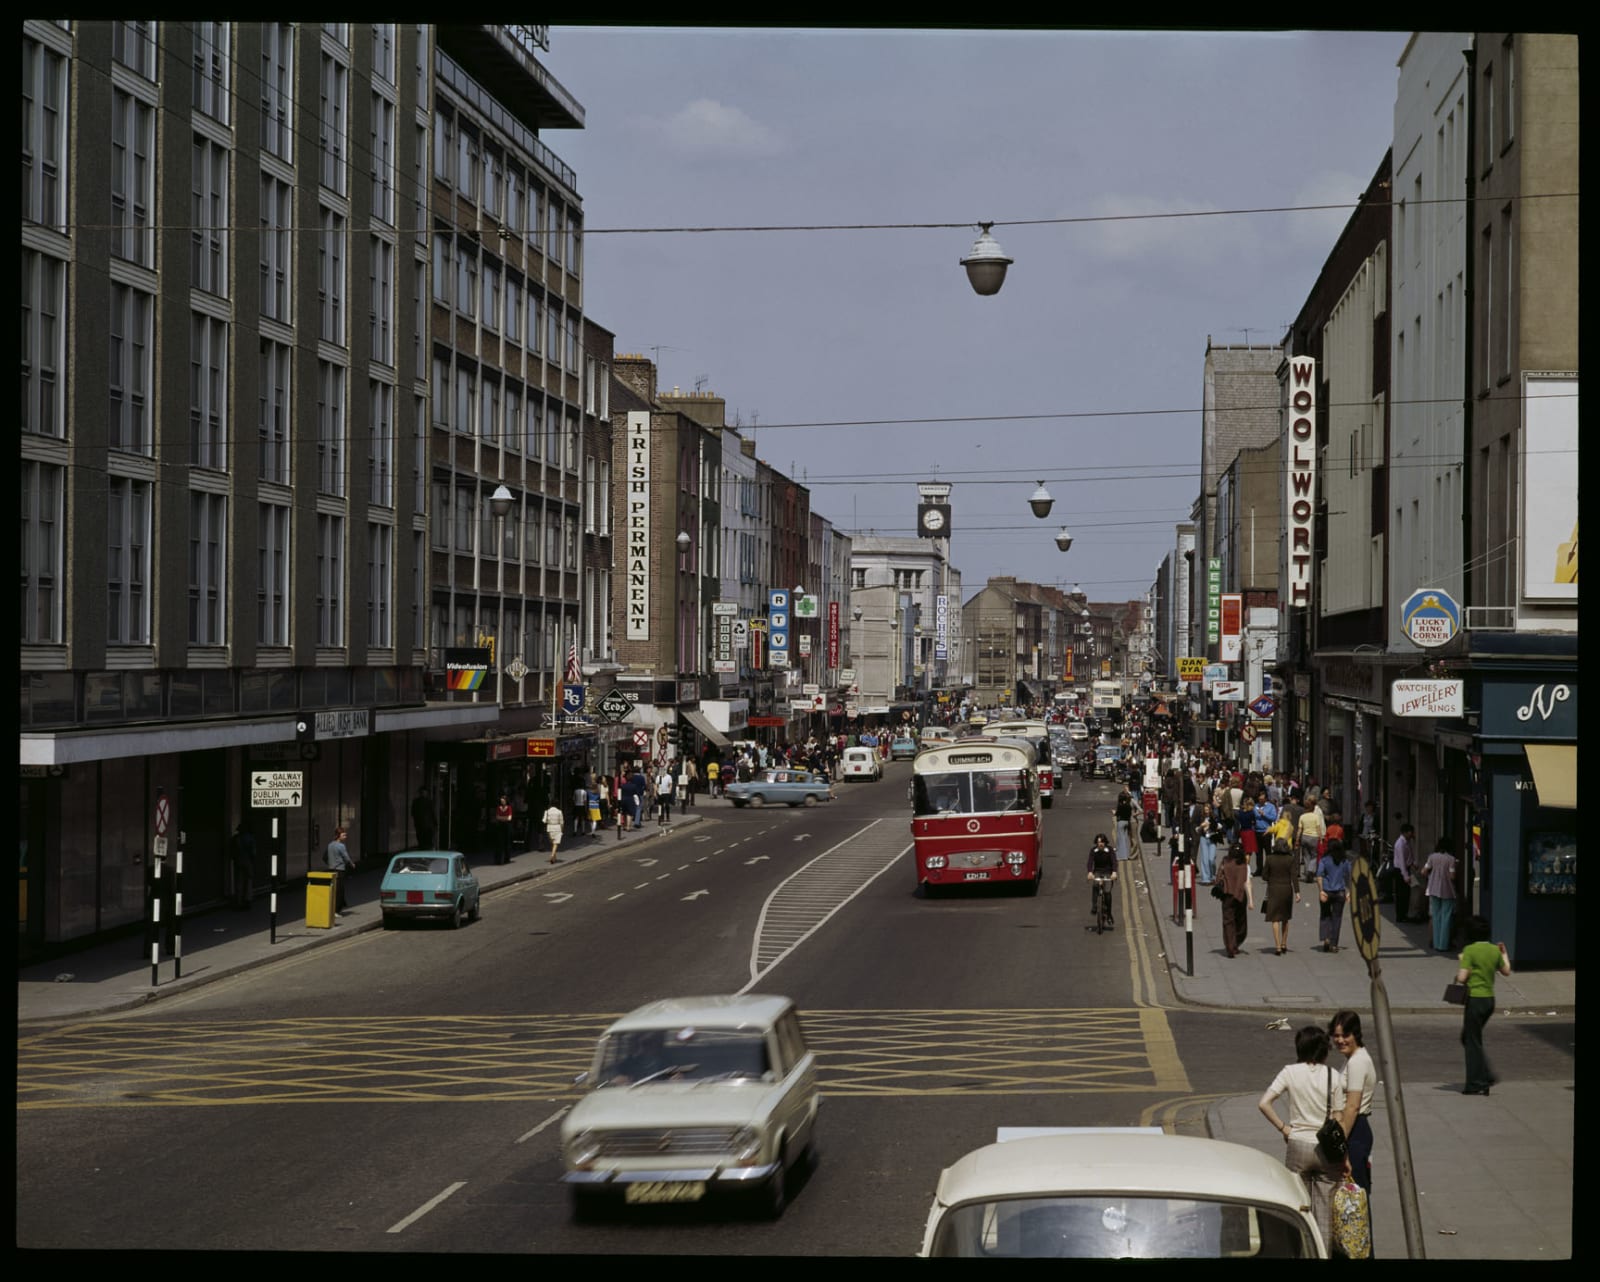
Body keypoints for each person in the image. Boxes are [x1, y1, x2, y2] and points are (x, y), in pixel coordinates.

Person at [1258, 1025, 1348, 1252]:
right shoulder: (1333, 1076)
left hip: (1298, 1144)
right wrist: (1343, 1154)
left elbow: (1264, 1103)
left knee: (1298, 1206)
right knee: (1325, 1210)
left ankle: (1299, 1252)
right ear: (1324, 1050)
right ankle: (1322, 1254)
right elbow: (1338, 1117)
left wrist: (1284, 1129)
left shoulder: (1290, 1072)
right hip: (1325, 1148)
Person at [1328, 1009, 1378, 1231]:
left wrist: (1339, 1143)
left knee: (1355, 1203)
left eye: (1345, 1035)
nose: (1340, 1040)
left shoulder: (1357, 1062)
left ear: (1356, 1034)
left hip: (1355, 1132)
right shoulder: (1354, 1059)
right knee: (1353, 1202)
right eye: (1336, 1035)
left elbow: (1352, 1105)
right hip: (1355, 1131)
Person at [1455, 914, 1512, 1095]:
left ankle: (1477, 1082)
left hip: (1475, 999)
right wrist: (1504, 953)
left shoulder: (1469, 951)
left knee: (1472, 1041)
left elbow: (1462, 978)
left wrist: (1462, 964)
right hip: (1489, 1000)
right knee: (1470, 1038)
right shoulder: (1494, 950)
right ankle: (1485, 1075)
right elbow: (1506, 971)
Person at [1263, 835, 1302, 955]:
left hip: (1273, 889)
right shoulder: (1290, 859)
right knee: (1285, 917)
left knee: (1275, 919)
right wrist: (1297, 892)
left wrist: (1271, 878)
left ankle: (1278, 946)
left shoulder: (1269, 858)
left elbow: (1264, 875)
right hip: (1286, 889)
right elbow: (1294, 876)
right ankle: (1284, 943)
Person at [1422, 835, 1459, 952]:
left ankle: (1436, 943)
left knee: (1435, 916)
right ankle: (1443, 944)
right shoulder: (1451, 859)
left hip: (1433, 889)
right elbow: (1452, 876)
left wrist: (1431, 875)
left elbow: (1424, 871)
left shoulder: (1432, 857)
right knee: (1446, 917)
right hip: (1447, 890)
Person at [1315, 839, 1352, 952]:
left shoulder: (1325, 860)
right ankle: (1334, 943)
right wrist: (1349, 891)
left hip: (1326, 891)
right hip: (1340, 892)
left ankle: (1326, 937)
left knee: (1325, 915)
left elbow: (1319, 876)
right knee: (1337, 918)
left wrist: (1321, 890)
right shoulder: (1344, 861)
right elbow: (1349, 876)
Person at [1219, 843, 1253, 958]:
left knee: (1228, 922)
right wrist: (1251, 901)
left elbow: (1218, 877)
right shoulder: (1244, 865)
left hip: (1227, 895)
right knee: (1241, 922)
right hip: (1240, 896)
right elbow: (1246, 882)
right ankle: (1236, 943)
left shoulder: (1225, 862)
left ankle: (1230, 946)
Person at [1086, 834, 1117, 926]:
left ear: (1105, 843)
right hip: (1098, 871)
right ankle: (1094, 906)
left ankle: (1109, 914)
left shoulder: (1109, 850)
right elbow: (1090, 862)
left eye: (1102, 842)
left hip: (1108, 872)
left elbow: (1114, 861)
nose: (1100, 844)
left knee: (1107, 892)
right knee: (1095, 885)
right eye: (1098, 842)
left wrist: (1114, 872)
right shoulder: (1093, 851)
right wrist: (1090, 872)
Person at [1296, 793, 1327, 883]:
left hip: (1304, 837)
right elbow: (1319, 827)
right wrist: (1321, 838)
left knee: (1306, 856)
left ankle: (1307, 873)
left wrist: (1297, 840)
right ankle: (1310, 870)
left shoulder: (1302, 816)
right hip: (1314, 837)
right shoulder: (1316, 815)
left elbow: (1299, 829)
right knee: (1314, 855)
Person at [325, 825, 355, 916]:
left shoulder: (330, 845)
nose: (345, 837)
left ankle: (335, 909)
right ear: (338, 835)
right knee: (340, 891)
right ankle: (336, 910)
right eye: (343, 835)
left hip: (331, 870)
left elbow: (325, 856)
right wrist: (351, 864)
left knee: (334, 890)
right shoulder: (341, 846)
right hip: (339, 870)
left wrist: (330, 863)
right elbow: (346, 857)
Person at [1390, 822, 1416, 923]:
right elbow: (1401, 861)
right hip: (1401, 870)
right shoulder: (1400, 844)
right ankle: (1400, 915)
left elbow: (1409, 855)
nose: (1413, 834)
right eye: (1412, 832)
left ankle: (1404, 914)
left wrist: (1413, 863)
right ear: (1408, 832)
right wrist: (1405, 876)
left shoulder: (1407, 842)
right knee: (1401, 894)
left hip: (1406, 869)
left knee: (1407, 893)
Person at [229, 821, 256, 910]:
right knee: (248, 880)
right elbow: (253, 852)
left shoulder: (235, 839)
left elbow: (231, 851)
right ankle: (248, 900)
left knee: (239, 881)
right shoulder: (250, 838)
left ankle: (238, 901)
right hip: (248, 861)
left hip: (238, 861)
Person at [493, 793, 515, 865]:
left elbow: (509, 818)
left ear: (506, 801)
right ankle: (498, 860)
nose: (502, 802)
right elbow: (497, 817)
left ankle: (506, 858)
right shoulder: (498, 808)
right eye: (501, 801)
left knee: (507, 843)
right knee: (499, 843)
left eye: (503, 801)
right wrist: (504, 818)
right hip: (500, 827)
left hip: (507, 827)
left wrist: (501, 818)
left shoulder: (509, 808)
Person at [1113, 788, 1134, 862]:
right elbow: (1129, 815)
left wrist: (1113, 812)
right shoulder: (1129, 806)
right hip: (1127, 822)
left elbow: (1117, 814)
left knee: (1120, 839)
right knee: (1126, 838)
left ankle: (1120, 856)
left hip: (1121, 822)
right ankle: (1127, 855)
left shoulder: (1120, 805)